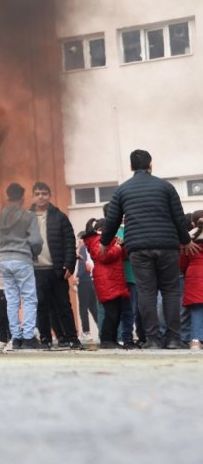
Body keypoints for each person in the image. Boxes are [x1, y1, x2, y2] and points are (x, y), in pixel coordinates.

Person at [100, 149, 194, 349]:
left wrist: (104, 242)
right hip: (167, 246)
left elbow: (112, 220)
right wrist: (186, 241)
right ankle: (174, 339)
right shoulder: (166, 187)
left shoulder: (123, 190)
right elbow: (179, 218)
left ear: (131, 167)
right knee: (170, 291)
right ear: (150, 165)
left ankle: (152, 340)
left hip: (139, 248)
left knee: (146, 291)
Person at [25, 182, 79, 350]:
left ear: (49, 196)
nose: (41, 196)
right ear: (33, 196)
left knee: (63, 305)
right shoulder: (26, 218)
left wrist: (69, 264)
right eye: (38, 193)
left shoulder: (60, 217)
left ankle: (72, 338)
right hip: (35, 270)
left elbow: (70, 242)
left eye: (44, 193)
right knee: (41, 307)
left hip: (57, 270)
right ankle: (45, 338)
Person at [0, 182, 41, 351]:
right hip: (22, 258)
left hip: (5, 259)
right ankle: (28, 337)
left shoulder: (0, 217)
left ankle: (15, 338)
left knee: (12, 299)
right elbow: (36, 241)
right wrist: (34, 251)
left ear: (8, 197)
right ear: (22, 198)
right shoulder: (29, 216)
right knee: (29, 297)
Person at [82, 218, 130, 349]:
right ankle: (107, 339)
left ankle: (111, 339)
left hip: (113, 278)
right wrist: (118, 247)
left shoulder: (106, 239)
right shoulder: (98, 239)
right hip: (106, 279)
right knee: (111, 312)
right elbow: (103, 256)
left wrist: (121, 246)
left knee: (116, 311)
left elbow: (120, 255)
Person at [183, 211, 203, 350]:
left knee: (196, 310)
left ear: (193, 223)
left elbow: (182, 262)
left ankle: (195, 340)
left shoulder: (188, 239)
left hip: (194, 275)